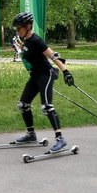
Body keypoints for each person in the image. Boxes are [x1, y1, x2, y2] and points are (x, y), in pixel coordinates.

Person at [12, 12, 75, 152]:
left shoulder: (36, 41)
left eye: (18, 28)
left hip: (46, 75)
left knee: (46, 106)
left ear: (28, 26)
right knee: (23, 105)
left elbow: (53, 56)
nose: (17, 31)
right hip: (35, 76)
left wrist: (66, 72)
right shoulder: (26, 41)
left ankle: (60, 139)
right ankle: (31, 135)